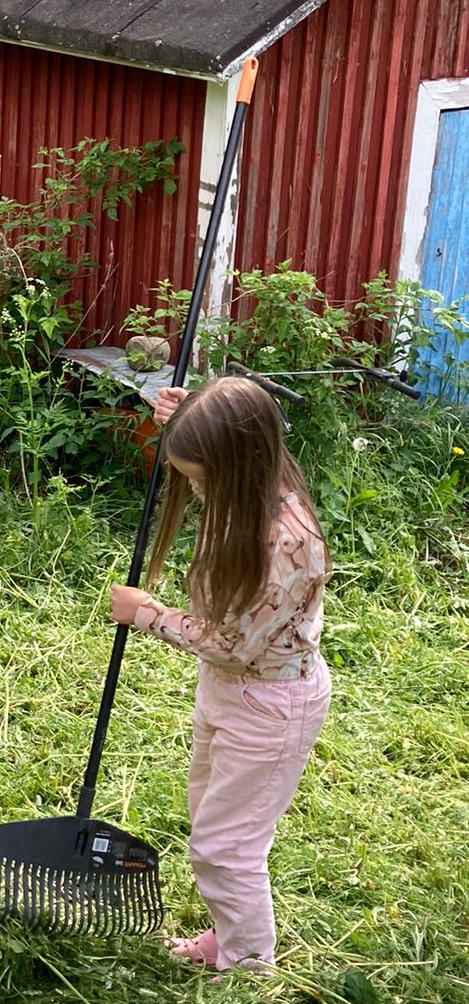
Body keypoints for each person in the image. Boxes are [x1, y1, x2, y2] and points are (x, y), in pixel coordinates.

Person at [109, 376, 331, 973]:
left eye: (203, 482)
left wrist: (150, 616)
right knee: (211, 817)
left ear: (239, 466)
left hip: (268, 702)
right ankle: (230, 934)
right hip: (231, 692)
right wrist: (181, 420)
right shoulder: (255, 483)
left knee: (225, 848)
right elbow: (232, 419)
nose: (199, 494)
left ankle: (248, 962)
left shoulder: (287, 543)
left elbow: (234, 645)